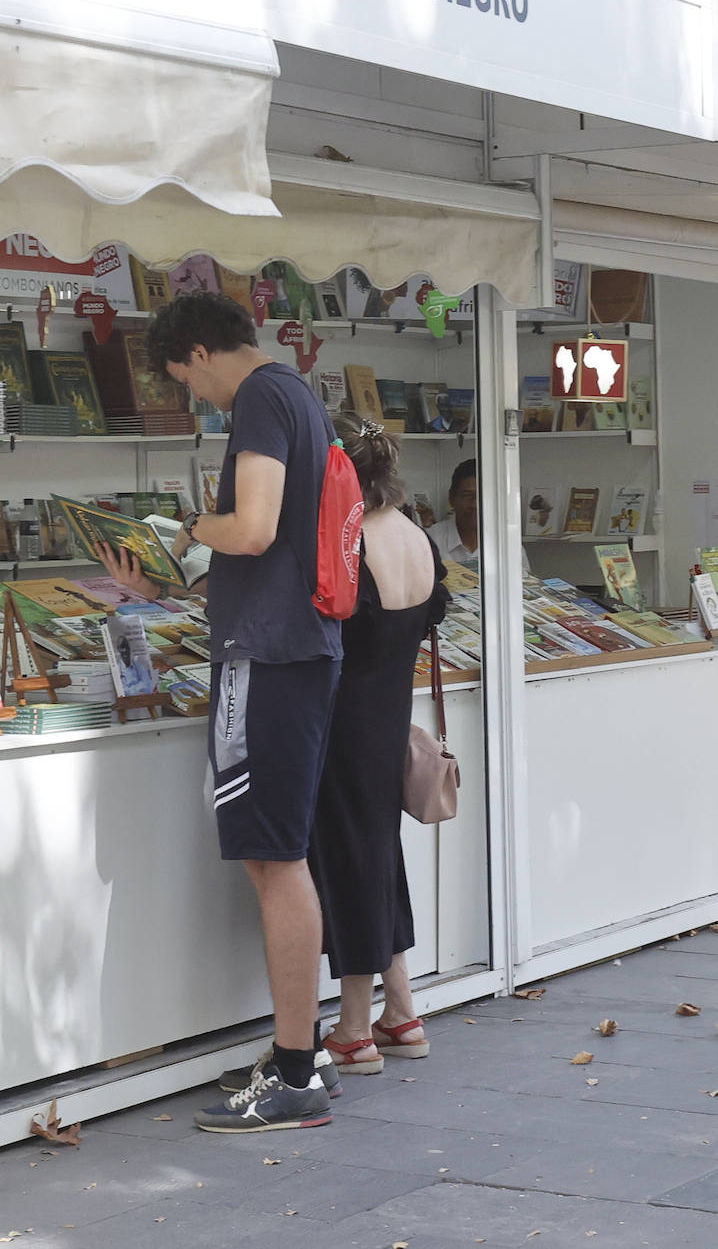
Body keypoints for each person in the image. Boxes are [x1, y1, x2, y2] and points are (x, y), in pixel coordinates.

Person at [95, 291, 343, 1133]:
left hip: (267, 661)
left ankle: (298, 1073)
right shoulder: (299, 396)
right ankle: (296, 1053)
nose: (194, 397)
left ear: (200, 352)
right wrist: (165, 577)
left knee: (273, 859)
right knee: (283, 853)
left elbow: (256, 528)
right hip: (288, 646)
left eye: (183, 380)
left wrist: (181, 524)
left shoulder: (263, 399)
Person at [309, 414, 448, 1075]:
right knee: (377, 858)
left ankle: (355, 1028)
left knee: (349, 866)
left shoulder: (348, 542)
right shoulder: (417, 538)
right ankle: (402, 1011)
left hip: (340, 725)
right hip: (389, 719)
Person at [425, 458, 531, 572]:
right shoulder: (430, 540)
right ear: (452, 498)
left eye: (484, 496)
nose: (476, 504)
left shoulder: (508, 544)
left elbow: (525, 586)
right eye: (467, 495)